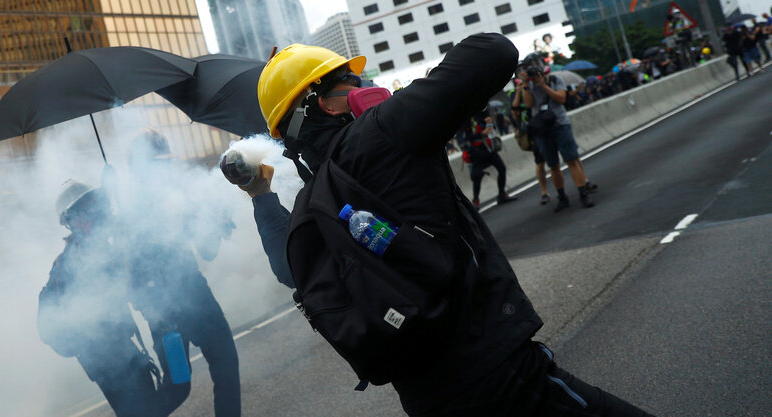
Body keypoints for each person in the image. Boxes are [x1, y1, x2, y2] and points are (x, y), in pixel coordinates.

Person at [231, 35, 652, 416]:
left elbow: (291, 269)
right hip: (492, 370)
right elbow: (495, 51)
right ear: (322, 102)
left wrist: (261, 196)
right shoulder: (383, 132)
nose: (359, 88)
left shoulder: (312, 200)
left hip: (425, 397)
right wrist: (412, 93)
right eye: (348, 81)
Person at [124, 129, 241, 417]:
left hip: (195, 293)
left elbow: (207, 250)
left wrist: (214, 221)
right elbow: (129, 277)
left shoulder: (178, 197)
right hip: (162, 310)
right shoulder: (129, 212)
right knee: (178, 385)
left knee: (226, 365)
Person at [38, 181, 162, 417]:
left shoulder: (96, 249)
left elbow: (128, 283)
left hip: (122, 352)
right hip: (107, 361)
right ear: (71, 221)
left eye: (94, 207)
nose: (95, 215)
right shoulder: (71, 262)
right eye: (86, 210)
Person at [521, 54, 596, 211]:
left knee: (572, 160)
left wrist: (543, 85)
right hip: (542, 128)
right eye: (530, 66)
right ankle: (562, 197)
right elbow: (528, 104)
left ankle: (583, 194)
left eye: (536, 64)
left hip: (560, 124)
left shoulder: (555, 79)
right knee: (553, 165)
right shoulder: (528, 85)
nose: (534, 68)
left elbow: (561, 99)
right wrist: (525, 84)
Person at [458, 112, 517, 208]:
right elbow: (466, 138)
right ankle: (475, 200)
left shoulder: (482, 114)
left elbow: (491, 129)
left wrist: (490, 123)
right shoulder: (466, 119)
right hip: (477, 152)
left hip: (489, 149)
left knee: (502, 169)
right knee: (477, 176)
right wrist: (481, 133)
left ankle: (502, 194)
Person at [510, 71, 551, 205]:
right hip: (530, 130)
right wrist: (518, 91)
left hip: (542, 125)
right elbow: (514, 111)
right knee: (539, 162)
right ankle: (544, 191)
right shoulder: (514, 93)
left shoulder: (535, 87)